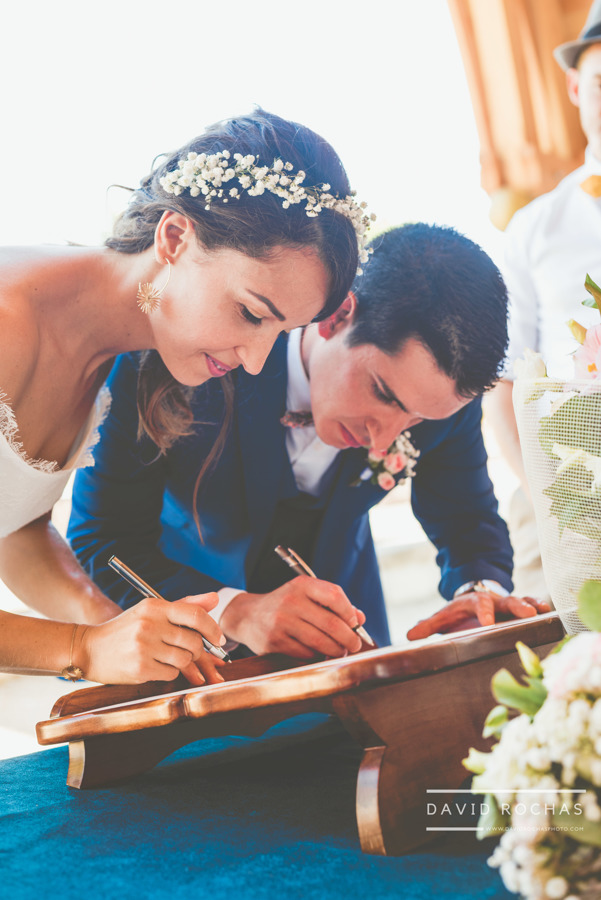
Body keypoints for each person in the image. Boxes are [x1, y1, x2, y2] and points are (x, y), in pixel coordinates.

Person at [0, 108, 365, 686]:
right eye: (250, 313)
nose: (254, 360)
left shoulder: (111, 345)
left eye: (279, 332)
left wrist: (122, 627)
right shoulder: (8, 324)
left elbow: (12, 531)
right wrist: (84, 647)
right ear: (174, 237)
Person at [67, 223, 550, 657]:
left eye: (415, 421)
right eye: (381, 393)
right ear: (338, 316)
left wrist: (478, 590)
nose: (382, 444)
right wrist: (234, 612)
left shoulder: (435, 402)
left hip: (344, 642)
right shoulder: (193, 350)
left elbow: (466, 517)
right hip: (184, 650)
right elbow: (103, 537)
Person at [486, 0, 601, 601]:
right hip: (565, 486)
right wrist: (551, 497)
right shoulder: (531, 229)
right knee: (564, 659)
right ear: (575, 86)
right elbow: (503, 381)